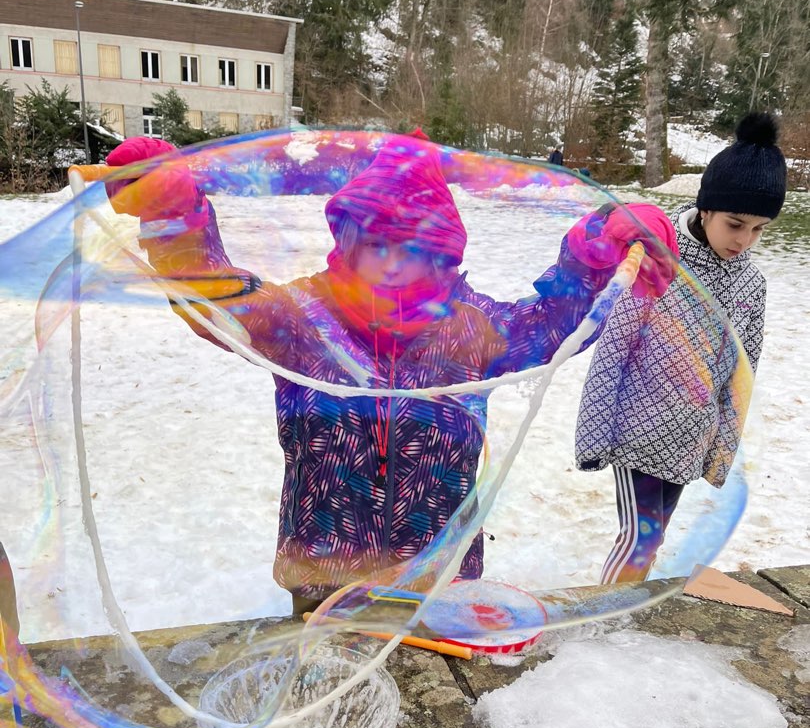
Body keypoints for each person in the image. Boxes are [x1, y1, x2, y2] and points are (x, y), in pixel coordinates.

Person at [104, 133, 675, 614]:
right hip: (323, 577)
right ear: (350, 238)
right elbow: (219, 300)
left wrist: (597, 250)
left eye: (415, 246)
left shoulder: (472, 326)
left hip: (440, 580)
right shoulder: (303, 318)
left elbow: (553, 325)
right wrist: (175, 214)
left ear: (442, 252)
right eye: (378, 243)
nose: (395, 263)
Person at [575, 112, 787, 583]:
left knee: (654, 538)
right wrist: (594, 436)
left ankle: (626, 609)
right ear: (706, 209)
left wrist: (720, 451)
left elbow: (743, 374)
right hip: (634, 433)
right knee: (639, 538)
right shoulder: (658, 261)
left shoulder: (752, 284)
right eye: (735, 223)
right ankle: (608, 614)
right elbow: (612, 352)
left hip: (690, 441)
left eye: (759, 229)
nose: (744, 240)